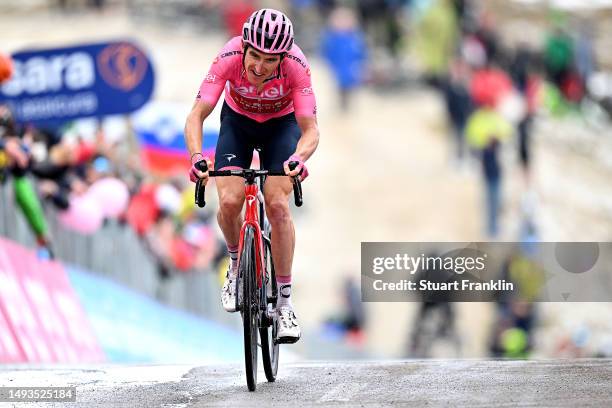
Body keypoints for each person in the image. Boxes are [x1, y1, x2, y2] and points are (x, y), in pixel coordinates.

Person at [184, 8, 320, 343]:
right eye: (254, 55)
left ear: (282, 58)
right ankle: (235, 267)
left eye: (269, 60)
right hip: (238, 124)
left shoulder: (297, 66)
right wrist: (198, 158)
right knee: (229, 200)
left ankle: (285, 304)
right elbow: (197, 115)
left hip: (281, 127)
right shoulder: (228, 56)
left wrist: (299, 159)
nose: (259, 66)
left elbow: (311, 130)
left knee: (277, 205)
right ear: (244, 46)